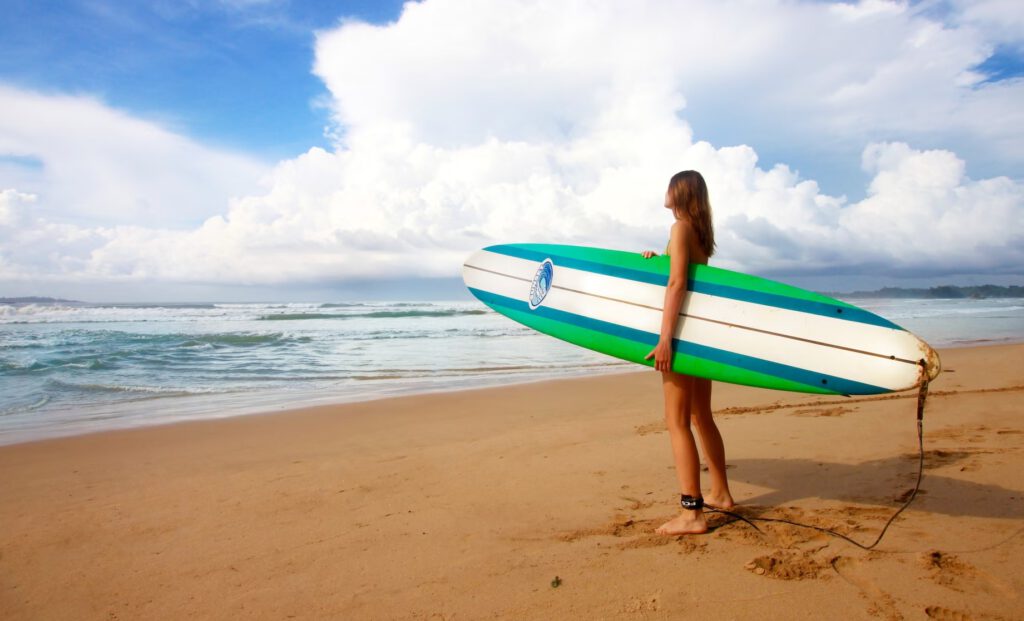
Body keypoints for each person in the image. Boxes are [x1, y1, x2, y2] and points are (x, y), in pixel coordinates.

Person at [642, 170, 734, 535]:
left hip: (679, 336)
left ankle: (692, 513)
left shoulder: (679, 228)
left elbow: (678, 283)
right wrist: (655, 260)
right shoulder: (698, 233)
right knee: (702, 417)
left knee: (677, 422)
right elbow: (681, 274)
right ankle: (721, 494)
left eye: (668, 186)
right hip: (700, 336)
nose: (664, 192)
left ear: (679, 192)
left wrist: (665, 340)